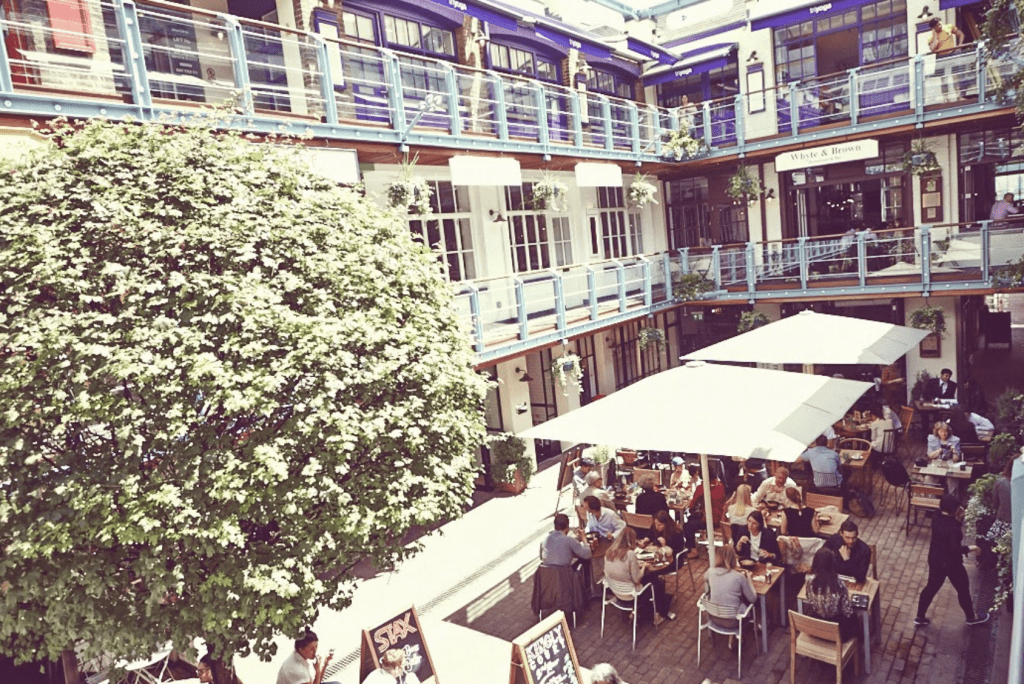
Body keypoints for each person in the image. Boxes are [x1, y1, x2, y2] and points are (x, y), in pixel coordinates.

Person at [915, 494, 990, 627]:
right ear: (953, 509)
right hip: (950, 563)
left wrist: (957, 520)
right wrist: (971, 548)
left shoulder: (937, 516)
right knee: (963, 589)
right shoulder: (953, 528)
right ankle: (971, 618)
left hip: (935, 558)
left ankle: (920, 617)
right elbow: (954, 549)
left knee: (931, 588)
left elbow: (947, 531)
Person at [603, 527, 675, 625]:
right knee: (658, 583)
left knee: (650, 581)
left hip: (616, 592)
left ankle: (639, 612)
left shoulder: (608, 552)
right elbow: (636, 579)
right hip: (631, 596)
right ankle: (657, 615)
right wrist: (644, 567)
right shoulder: (630, 554)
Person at [803, 548, 860, 640]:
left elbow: (808, 596)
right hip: (836, 633)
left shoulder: (808, 578)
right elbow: (847, 611)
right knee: (855, 618)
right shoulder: (838, 584)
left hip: (816, 628)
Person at [703, 544, 756, 629]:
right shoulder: (739, 577)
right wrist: (749, 580)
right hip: (734, 622)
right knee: (746, 603)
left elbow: (705, 579)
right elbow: (753, 599)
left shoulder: (710, 572)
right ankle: (756, 628)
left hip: (714, 618)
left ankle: (733, 640)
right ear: (733, 558)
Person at [685, 468, 726, 553]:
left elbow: (692, 505)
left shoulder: (702, 488)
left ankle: (693, 550)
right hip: (720, 517)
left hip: (709, 520)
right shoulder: (720, 484)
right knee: (691, 519)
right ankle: (700, 538)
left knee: (687, 526)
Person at [927, 17, 965, 103]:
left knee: (955, 76)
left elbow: (961, 34)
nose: (940, 26)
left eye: (940, 24)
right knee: (943, 79)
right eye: (937, 26)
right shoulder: (931, 37)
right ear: (933, 28)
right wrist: (935, 36)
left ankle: (959, 97)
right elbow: (932, 49)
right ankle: (945, 99)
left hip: (952, 54)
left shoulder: (948, 27)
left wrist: (959, 45)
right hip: (941, 57)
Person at [643, 510, 688, 576]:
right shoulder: (655, 526)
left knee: (649, 571)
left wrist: (665, 546)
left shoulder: (676, 533)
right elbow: (650, 534)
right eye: (655, 523)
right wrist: (646, 539)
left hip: (673, 561)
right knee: (644, 568)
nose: (656, 527)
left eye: (659, 525)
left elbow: (677, 551)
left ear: (666, 524)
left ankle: (657, 585)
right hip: (658, 556)